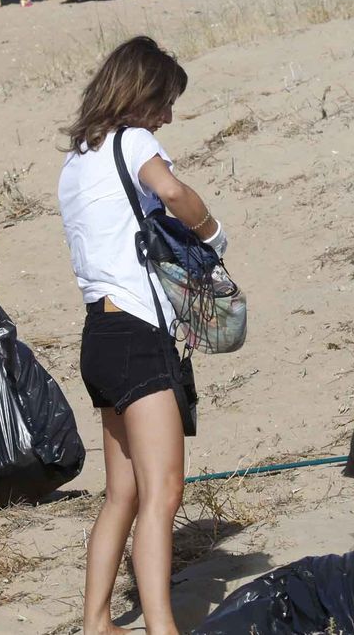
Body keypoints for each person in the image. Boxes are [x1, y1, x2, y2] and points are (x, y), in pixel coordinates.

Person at [58, 36, 227, 635]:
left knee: (120, 495)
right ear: (141, 96)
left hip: (97, 336)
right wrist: (210, 231)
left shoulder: (76, 160)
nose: (168, 116)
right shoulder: (134, 142)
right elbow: (173, 193)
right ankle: (162, 627)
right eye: (164, 102)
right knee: (163, 492)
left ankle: (97, 621)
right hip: (136, 331)